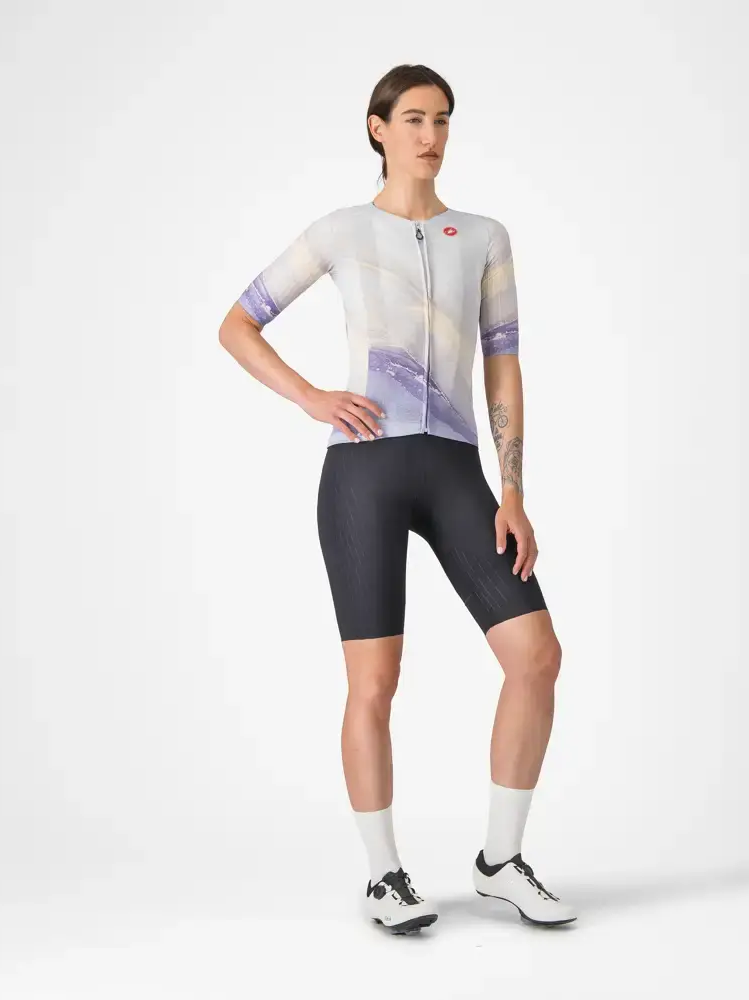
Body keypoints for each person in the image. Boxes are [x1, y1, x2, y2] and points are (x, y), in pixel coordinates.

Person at [218, 64, 577, 934]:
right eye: (413, 118)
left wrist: (514, 490)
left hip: (456, 472)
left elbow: (503, 366)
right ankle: (385, 877)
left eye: (442, 119)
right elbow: (237, 324)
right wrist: (312, 398)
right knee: (374, 682)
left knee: (536, 657)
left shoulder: (482, 236)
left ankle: (500, 863)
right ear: (377, 128)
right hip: (364, 473)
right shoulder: (342, 231)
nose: (431, 135)